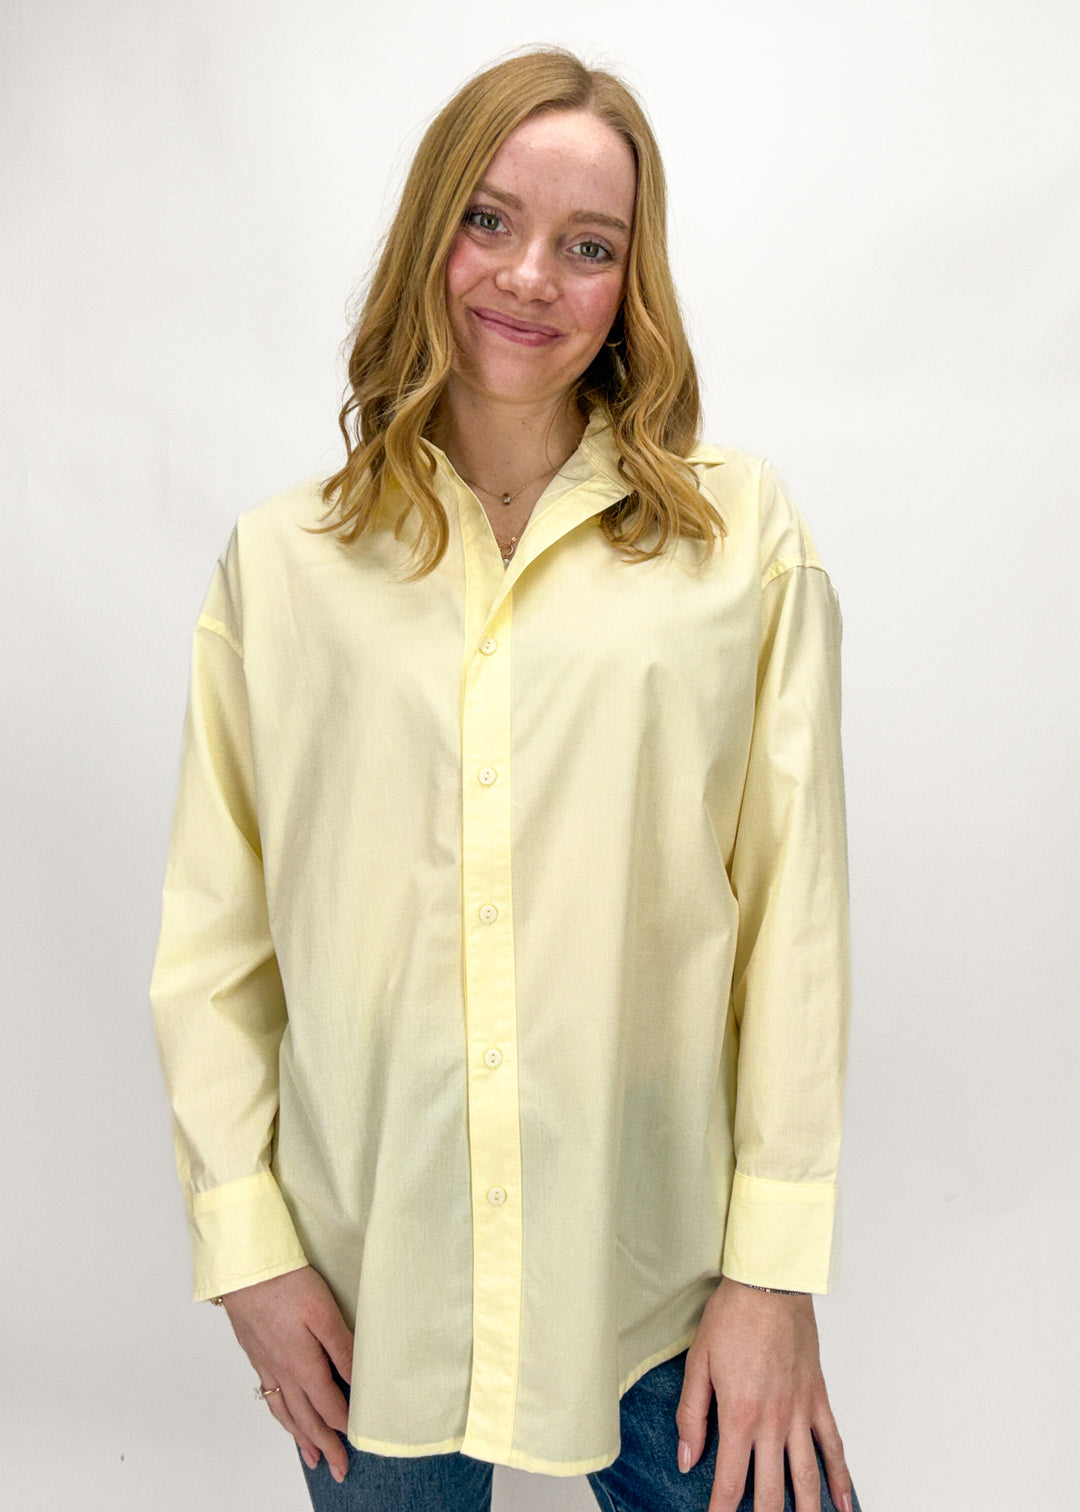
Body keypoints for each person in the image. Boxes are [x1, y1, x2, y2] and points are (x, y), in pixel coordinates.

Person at [149, 45, 862, 1512]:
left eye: (587, 246)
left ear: (629, 282)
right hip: (377, 1298)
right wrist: (253, 1257)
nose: (531, 276)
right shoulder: (285, 568)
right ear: (430, 235)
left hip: (664, 1280)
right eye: (490, 220)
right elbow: (216, 943)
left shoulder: (740, 540)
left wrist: (773, 1278)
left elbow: (796, 920)